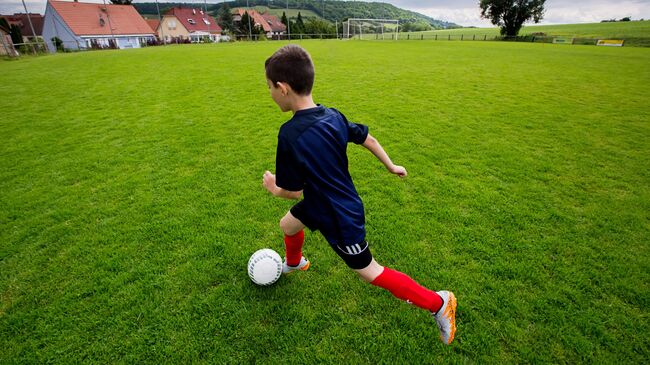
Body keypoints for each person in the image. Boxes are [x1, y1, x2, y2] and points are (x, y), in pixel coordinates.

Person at [262, 44, 457, 345]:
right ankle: (295, 262)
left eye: (270, 88)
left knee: (370, 272)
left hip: (340, 215)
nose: (270, 93)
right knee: (288, 225)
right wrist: (391, 165)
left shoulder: (290, 134)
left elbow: (292, 190)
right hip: (320, 202)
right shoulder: (333, 115)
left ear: (283, 88)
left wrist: (274, 186)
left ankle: (439, 303)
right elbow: (368, 138)